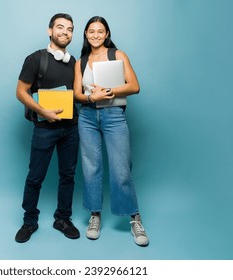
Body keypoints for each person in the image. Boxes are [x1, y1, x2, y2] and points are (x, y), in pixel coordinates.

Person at [73, 16, 149, 246]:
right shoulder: (81, 62)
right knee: (90, 169)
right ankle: (94, 215)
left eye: (100, 31)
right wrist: (90, 97)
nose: (96, 35)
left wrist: (107, 91)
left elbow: (134, 86)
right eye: (91, 31)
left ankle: (134, 219)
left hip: (113, 116)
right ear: (86, 34)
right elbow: (76, 94)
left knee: (121, 169)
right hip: (86, 118)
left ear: (107, 34)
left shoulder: (118, 55)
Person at [14, 13, 80, 243]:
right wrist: (43, 111)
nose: (65, 32)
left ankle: (62, 218)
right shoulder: (35, 59)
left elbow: (77, 94)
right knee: (35, 177)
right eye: (60, 27)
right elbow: (21, 92)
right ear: (50, 31)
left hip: (71, 129)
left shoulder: (74, 63)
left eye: (70, 29)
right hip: (44, 128)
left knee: (68, 175)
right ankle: (29, 221)